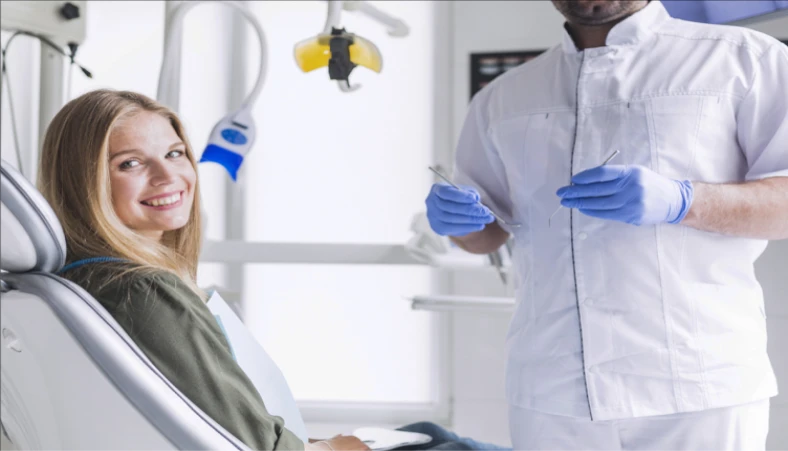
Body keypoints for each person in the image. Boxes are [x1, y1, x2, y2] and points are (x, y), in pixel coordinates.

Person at [37, 89, 511, 451]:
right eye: (131, 163)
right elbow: (257, 445)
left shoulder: (75, 281)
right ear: (85, 180)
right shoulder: (145, 293)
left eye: (175, 153)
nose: (168, 178)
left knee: (426, 434)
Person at [424, 1, 787, 450]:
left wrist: (684, 201)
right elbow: (485, 235)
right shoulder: (503, 97)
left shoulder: (747, 59)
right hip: (551, 394)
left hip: (697, 390)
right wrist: (458, 222)